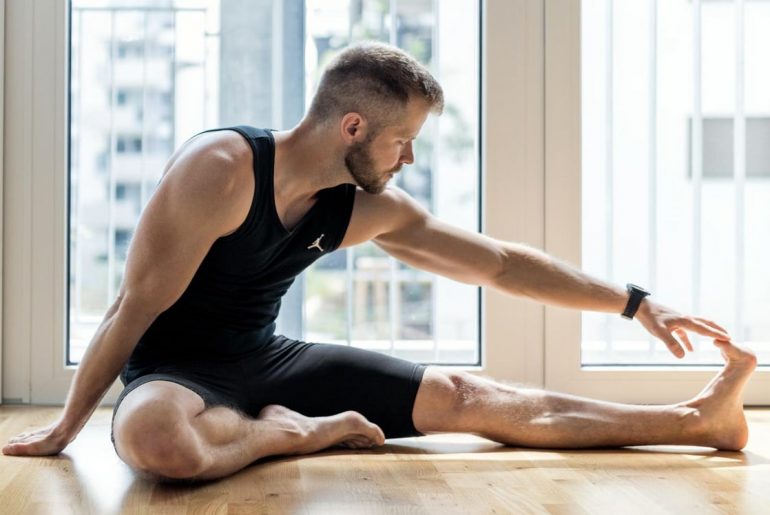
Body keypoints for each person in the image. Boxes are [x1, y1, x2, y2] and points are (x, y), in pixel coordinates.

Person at [2, 42, 756, 482]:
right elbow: (131, 308)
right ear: (353, 126)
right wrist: (66, 428)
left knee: (468, 394)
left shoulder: (365, 207)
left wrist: (633, 300)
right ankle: (289, 434)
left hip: (270, 361)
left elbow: (497, 263)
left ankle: (697, 419)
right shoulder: (223, 170)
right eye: (403, 141)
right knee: (154, 441)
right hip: (177, 372)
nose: (409, 158)